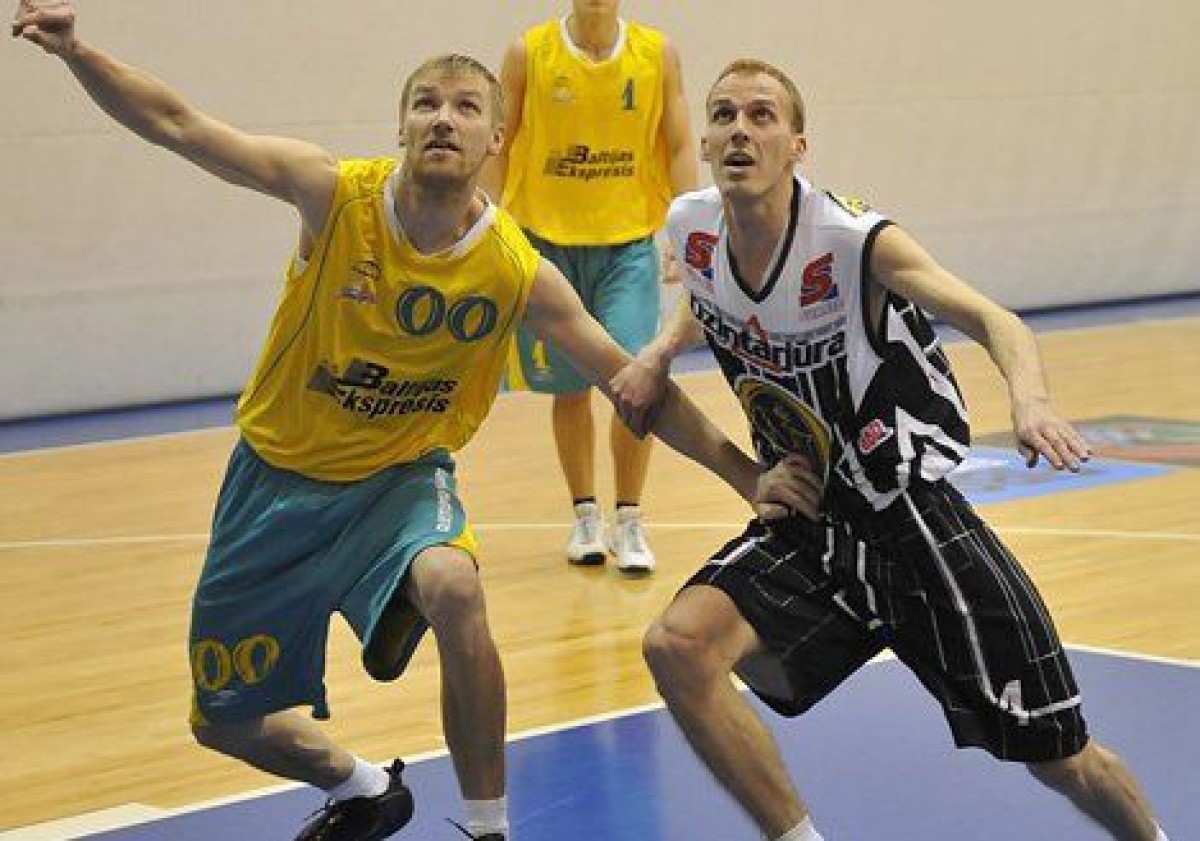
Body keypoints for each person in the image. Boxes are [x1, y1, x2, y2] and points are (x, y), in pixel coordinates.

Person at [11, 6, 794, 839]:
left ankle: (489, 827)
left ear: (498, 138)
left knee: (456, 586)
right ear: (401, 127)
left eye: (465, 107)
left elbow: (635, 387)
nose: (443, 118)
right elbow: (178, 124)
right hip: (274, 485)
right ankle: (362, 787)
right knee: (226, 722)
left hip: (400, 482)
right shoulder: (333, 193)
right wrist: (76, 52)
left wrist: (748, 476)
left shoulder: (513, 269)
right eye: (427, 103)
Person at [615, 59, 1171, 841]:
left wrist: (1031, 400)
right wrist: (658, 351)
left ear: (797, 146)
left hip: (910, 519)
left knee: (1063, 756)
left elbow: (995, 319)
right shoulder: (690, 226)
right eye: (724, 114)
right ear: (704, 140)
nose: (741, 129)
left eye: (762, 115)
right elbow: (706, 293)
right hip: (812, 519)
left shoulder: (851, 240)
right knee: (678, 645)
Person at [483, 0, 698, 574]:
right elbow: (498, 144)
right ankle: (584, 516)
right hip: (547, 242)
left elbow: (680, 144)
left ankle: (629, 518)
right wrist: (485, 223)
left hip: (626, 246)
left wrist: (687, 231)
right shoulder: (529, 52)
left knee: (635, 381)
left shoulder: (656, 54)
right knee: (571, 388)